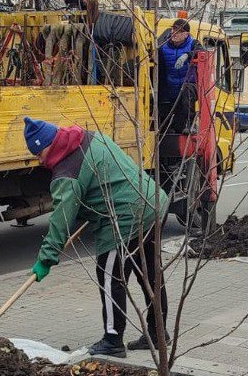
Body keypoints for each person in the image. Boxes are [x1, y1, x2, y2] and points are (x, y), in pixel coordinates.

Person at [24, 117, 168, 357]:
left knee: (110, 275)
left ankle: (112, 341)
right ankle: (157, 334)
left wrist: (46, 259)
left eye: (39, 154)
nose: (40, 161)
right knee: (150, 273)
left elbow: (60, 222)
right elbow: (105, 178)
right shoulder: (90, 137)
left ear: (48, 144)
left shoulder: (65, 173)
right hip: (152, 202)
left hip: (126, 217)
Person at [157, 18, 201, 136]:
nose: (174, 33)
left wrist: (188, 55)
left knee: (187, 91)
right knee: (162, 96)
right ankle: (166, 127)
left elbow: (202, 53)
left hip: (188, 86)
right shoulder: (164, 47)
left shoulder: (193, 44)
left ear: (186, 34)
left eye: (178, 31)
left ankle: (190, 124)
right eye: (173, 30)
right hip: (171, 86)